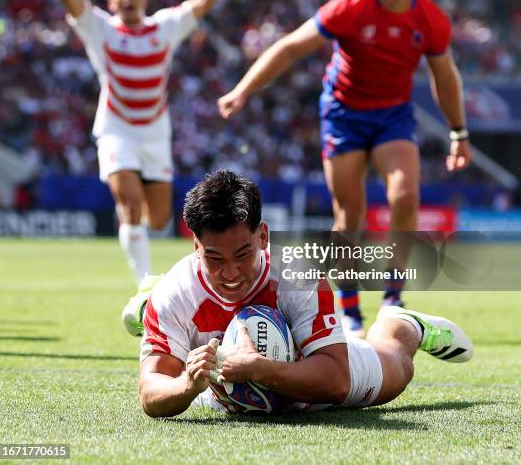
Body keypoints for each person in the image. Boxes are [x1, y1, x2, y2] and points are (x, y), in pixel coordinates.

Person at [217, 0, 474, 336]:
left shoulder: (430, 19)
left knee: (405, 196)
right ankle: (350, 308)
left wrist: (459, 132)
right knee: (348, 214)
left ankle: (393, 297)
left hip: (393, 116)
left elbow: (446, 77)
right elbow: (289, 47)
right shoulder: (350, 7)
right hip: (343, 115)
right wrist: (242, 90)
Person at [136, 169, 473, 417]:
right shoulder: (173, 294)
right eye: (213, 258)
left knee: (399, 368)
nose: (230, 273)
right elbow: (150, 392)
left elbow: (337, 380)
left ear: (263, 237)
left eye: (242, 254)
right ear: (196, 245)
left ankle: (403, 323)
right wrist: (186, 384)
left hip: (313, 381)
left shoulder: (298, 273)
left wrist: (260, 370)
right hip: (227, 393)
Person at [42, 0, 247, 283]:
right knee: (130, 205)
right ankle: (144, 285)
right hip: (116, 127)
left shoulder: (164, 27)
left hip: (155, 131)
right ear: (111, 1)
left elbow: (201, 3)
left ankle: (145, 266)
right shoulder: (100, 29)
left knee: (159, 218)